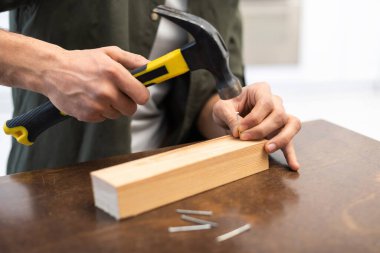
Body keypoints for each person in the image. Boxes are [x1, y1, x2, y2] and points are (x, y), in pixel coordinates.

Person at [0, 0, 301, 174]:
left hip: (164, 186)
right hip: (55, 185)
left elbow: (211, 91)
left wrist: (237, 119)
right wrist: (50, 67)